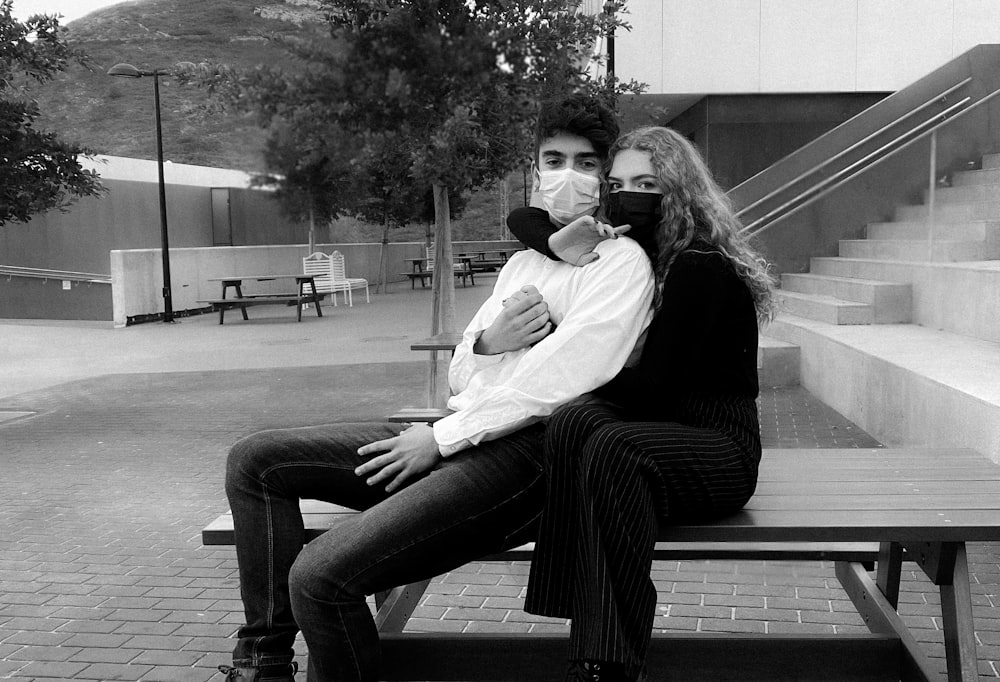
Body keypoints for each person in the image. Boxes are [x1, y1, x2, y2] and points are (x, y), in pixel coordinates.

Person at [217, 94, 655, 682]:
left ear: (605, 179)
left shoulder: (620, 263)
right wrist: (490, 343)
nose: (565, 176)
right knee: (256, 461)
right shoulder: (525, 263)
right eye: (552, 160)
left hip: (525, 462)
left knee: (319, 577)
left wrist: (440, 439)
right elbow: (460, 373)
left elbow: (559, 382)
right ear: (534, 169)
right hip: (455, 437)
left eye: (584, 163)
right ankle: (263, 660)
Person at [509, 126, 777, 682]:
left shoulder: (699, 265)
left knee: (610, 442)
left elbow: (654, 389)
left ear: (678, 188)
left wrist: (565, 356)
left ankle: (609, 660)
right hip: (665, 425)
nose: (631, 194)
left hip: (718, 446)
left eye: (648, 183)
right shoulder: (639, 248)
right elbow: (526, 220)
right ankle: (579, 606)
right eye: (619, 183)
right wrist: (557, 245)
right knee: (576, 419)